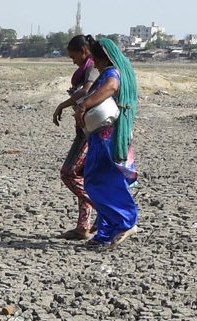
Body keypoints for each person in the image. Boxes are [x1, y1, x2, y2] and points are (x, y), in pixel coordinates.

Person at [74, 36, 138, 246]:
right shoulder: (112, 71)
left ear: (102, 59)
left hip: (107, 138)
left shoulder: (112, 73)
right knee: (99, 180)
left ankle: (125, 222)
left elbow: (110, 87)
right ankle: (107, 232)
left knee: (100, 181)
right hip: (101, 136)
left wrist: (84, 105)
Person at [50, 35, 97, 241]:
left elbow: (87, 90)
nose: (73, 60)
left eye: (74, 56)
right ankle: (83, 227)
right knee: (82, 176)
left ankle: (104, 210)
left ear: (84, 51)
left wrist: (63, 104)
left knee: (68, 173)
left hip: (90, 131)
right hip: (83, 129)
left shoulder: (93, 68)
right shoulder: (85, 69)